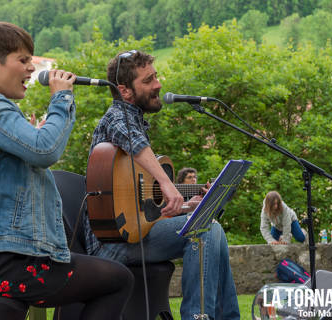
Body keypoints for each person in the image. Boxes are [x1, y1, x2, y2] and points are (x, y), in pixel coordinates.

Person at [0, 22, 133, 319]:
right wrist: (62, 97)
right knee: (118, 279)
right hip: (3, 261)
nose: (31, 68)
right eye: (23, 59)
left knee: (90, 277)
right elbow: (45, 149)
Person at [83, 50, 240, 320]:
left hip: (134, 233)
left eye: (156, 76)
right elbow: (128, 135)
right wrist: (168, 184)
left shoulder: (136, 124)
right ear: (124, 90)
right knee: (203, 230)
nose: (158, 84)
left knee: (209, 225)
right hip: (111, 243)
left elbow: (142, 210)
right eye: (148, 80)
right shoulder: (116, 118)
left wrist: (183, 206)